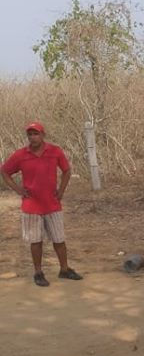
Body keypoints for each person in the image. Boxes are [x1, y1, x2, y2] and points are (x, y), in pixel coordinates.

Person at [1, 122, 83, 287]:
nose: (33, 137)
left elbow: (66, 170)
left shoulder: (54, 151)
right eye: (30, 134)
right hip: (31, 206)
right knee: (36, 241)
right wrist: (18, 190)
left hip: (52, 204)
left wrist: (61, 191)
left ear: (43, 135)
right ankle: (38, 273)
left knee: (59, 239)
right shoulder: (20, 155)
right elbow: (4, 171)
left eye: (36, 134)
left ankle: (64, 269)